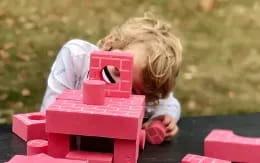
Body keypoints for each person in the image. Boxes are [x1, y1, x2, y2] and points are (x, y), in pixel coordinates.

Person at [40, 15, 182, 141]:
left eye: (135, 91)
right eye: (118, 72)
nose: (120, 89)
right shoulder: (77, 59)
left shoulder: (149, 92)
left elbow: (169, 103)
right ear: (109, 44)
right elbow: (49, 112)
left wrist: (163, 118)